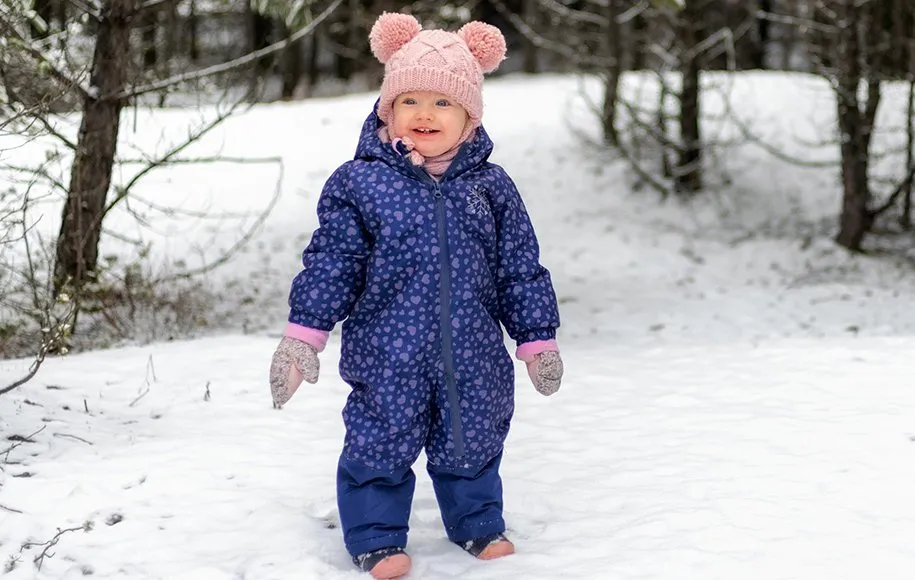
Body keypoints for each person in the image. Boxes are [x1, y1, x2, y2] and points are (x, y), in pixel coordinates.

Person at [269, 12, 564, 580]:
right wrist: (303, 336)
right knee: (379, 443)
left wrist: (537, 339)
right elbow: (333, 262)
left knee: (473, 439)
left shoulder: (491, 187)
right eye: (410, 101)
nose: (425, 114)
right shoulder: (360, 183)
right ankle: (377, 539)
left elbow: (520, 268)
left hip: (474, 355)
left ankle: (477, 525)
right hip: (387, 353)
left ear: (469, 118)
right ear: (388, 109)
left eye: (443, 103)